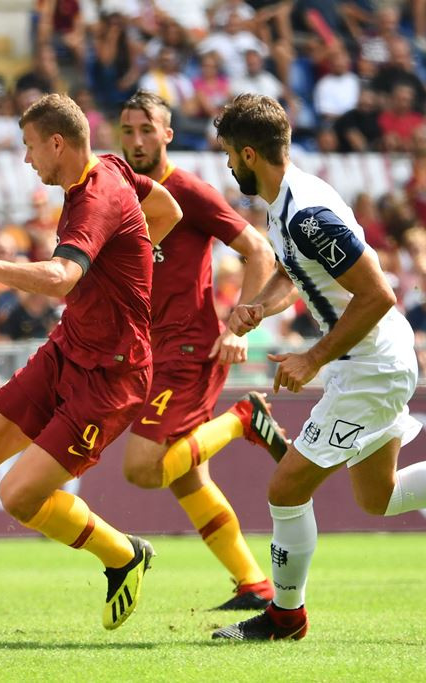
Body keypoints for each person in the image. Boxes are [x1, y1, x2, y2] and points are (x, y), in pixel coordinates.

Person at [0, 93, 182, 631]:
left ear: (57, 142)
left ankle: (123, 555)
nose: (28, 160)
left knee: (18, 496)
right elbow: (167, 209)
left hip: (112, 377)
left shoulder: (96, 197)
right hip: (67, 348)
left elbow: (62, 277)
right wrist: (130, 256)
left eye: (30, 147)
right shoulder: (109, 169)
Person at [210, 94, 426, 641]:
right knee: (376, 499)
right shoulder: (285, 202)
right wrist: (261, 305)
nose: (228, 166)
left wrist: (313, 357)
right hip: (367, 360)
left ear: (250, 153)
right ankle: (286, 616)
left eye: (230, 155)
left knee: (285, 489)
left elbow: (377, 294)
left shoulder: (306, 213)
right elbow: (293, 273)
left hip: (371, 365)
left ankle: (286, 618)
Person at [118, 91, 286, 611]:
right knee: (188, 477)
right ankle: (254, 584)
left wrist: (242, 323)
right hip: (150, 355)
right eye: (128, 131)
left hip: (189, 350)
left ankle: (242, 418)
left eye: (148, 129)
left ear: (168, 134)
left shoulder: (187, 190)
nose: (137, 140)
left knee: (143, 469)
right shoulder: (120, 193)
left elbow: (257, 250)